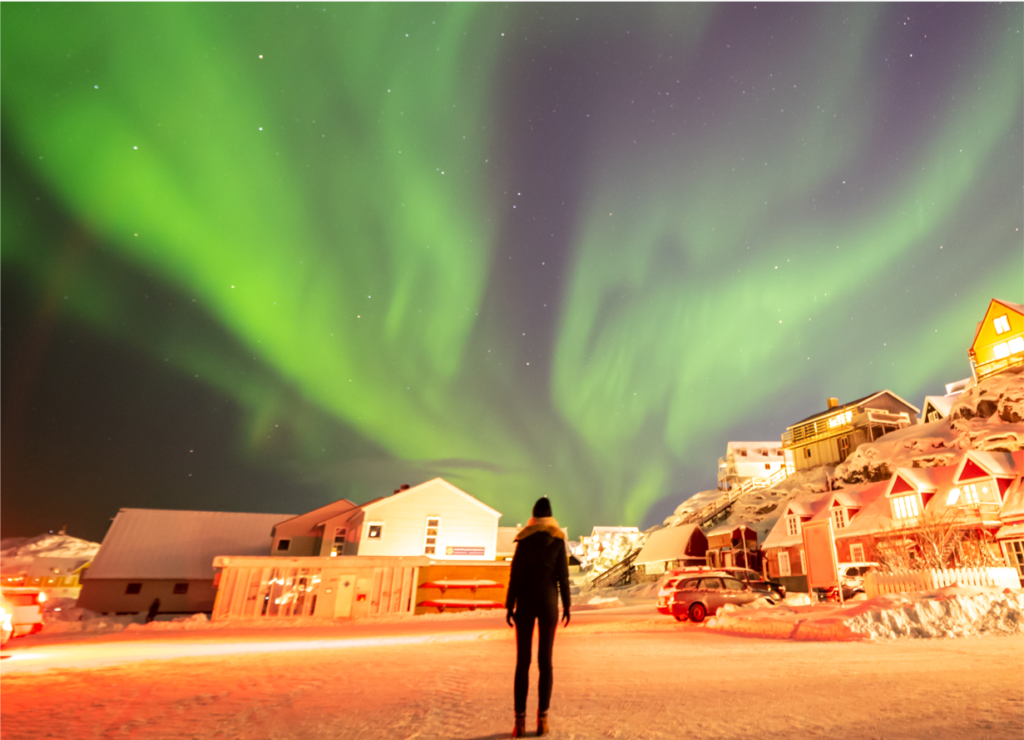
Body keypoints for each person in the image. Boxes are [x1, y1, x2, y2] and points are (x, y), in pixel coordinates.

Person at [505, 497, 571, 738]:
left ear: (533, 516)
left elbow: (516, 575)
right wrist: (567, 605)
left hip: (525, 602)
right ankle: (542, 720)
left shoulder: (524, 539)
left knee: (523, 662)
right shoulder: (557, 540)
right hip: (548, 602)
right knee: (546, 662)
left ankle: (519, 723)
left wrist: (509, 605)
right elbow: (562, 577)